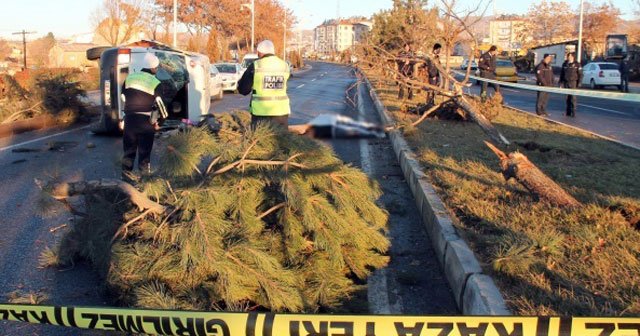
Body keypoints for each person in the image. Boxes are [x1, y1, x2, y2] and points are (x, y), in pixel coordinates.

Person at [121, 52, 164, 179]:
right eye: (156, 68)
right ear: (153, 68)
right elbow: (161, 106)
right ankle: (146, 183)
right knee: (144, 155)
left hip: (129, 120)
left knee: (128, 152)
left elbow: (123, 97)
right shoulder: (155, 82)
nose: (156, 70)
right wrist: (159, 123)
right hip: (146, 122)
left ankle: (125, 180)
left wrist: (124, 115)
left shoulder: (129, 78)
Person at [238, 40, 291, 127]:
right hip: (281, 112)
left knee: (261, 139)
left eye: (257, 52)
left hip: (261, 113)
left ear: (259, 52)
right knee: (281, 139)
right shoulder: (284, 65)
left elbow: (244, 90)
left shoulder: (256, 65)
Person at [559, 52, 582, 117]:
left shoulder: (577, 64)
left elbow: (580, 74)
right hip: (566, 82)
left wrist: (579, 82)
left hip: (573, 82)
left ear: (572, 57)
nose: (568, 57)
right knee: (567, 98)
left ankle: (573, 112)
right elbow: (562, 74)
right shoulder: (565, 64)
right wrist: (561, 82)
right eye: (567, 56)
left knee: (573, 98)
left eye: (569, 56)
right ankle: (568, 112)